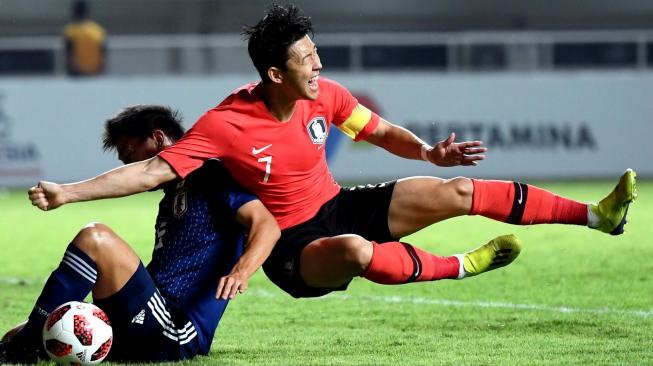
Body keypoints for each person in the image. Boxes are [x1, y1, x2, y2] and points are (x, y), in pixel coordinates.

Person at [29, 4, 636, 300]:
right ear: (274, 72)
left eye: (316, 51)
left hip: (337, 203)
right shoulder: (226, 123)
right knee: (353, 251)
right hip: (293, 247)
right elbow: (153, 170)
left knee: (459, 192)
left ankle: (596, 216)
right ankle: (461, 266)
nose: (317, 63)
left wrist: (429, 154)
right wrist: (69, 191)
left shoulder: (326, 95)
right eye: (305, 57)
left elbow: (376, 130)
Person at [1, 105, 280, 364]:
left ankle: (25, 348)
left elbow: (267, 224)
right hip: (147, 316)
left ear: (158, 138)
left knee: (95, 238)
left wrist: (242, 271)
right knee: (19, 332)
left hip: (175, 330)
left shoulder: (209, 172)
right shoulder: (171, 195)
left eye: (130, 154)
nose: (129, 167)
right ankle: (24, 340)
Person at [63, 0, 107, 76]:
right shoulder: (98, 31)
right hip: (95, 76)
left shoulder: (70, 31)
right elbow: (103, 60)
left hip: (76, 78)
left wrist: (81, 73)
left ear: (74, 12)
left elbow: (69, 59)